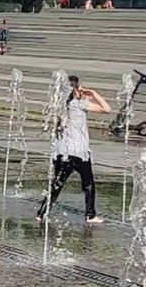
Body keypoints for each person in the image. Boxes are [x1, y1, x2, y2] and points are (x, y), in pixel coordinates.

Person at [36, 76, 112, 224]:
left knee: (57, 184)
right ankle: (90, 215)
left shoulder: (63, 106)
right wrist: (93, 93)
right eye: (80, 88)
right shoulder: (79, 104)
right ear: (75, 90)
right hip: (78, 153)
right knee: (89, 184)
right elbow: (107, 109)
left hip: (62, 152)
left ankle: (42, 213)